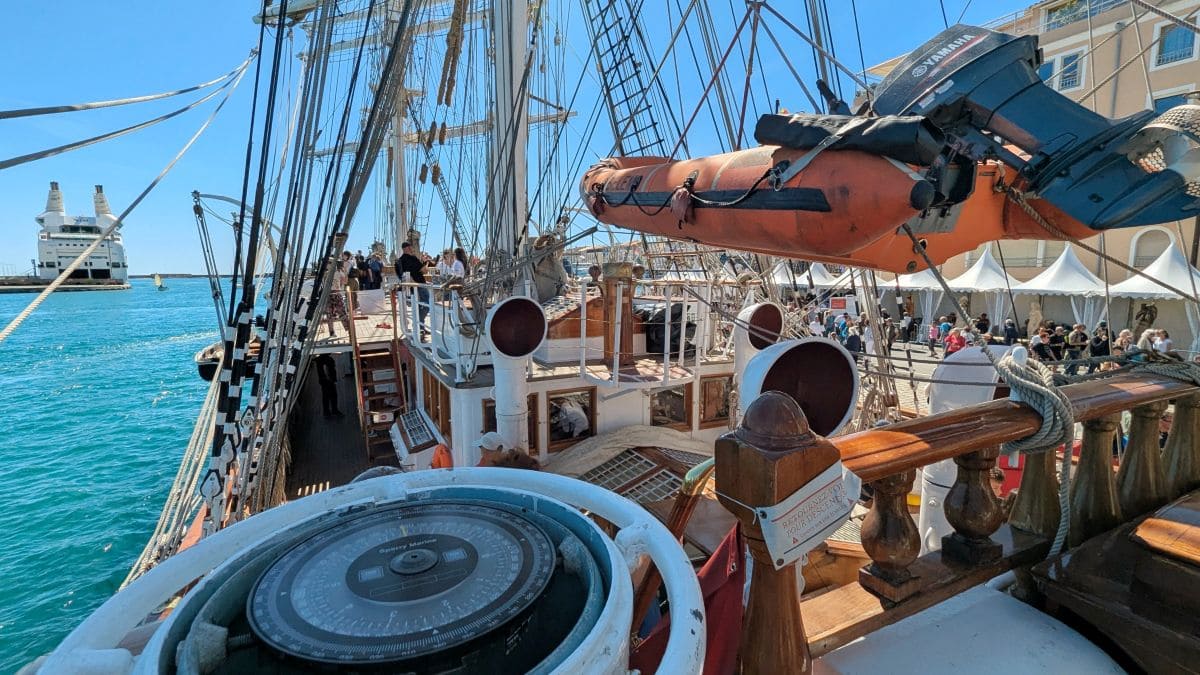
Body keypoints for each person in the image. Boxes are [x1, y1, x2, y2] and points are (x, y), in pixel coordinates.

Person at [396, 242, 430, 334]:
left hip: (408, 288)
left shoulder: (399, 261)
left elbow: (401, 275)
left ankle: (419, 327)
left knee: (417, 307)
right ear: (408, 248)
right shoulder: (413, 258)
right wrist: (426, 263)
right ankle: (419, 325)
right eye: (411, 247)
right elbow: (424, 271)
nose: (412, 249)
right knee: (427, 305)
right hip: (419, 286)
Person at [474, 431, 541, 470]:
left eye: (488, 451)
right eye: (482, 449)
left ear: (499, 449)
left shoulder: (515, 463)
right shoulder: (484, 461)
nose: (483, 454)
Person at [314, 353, 343, 417]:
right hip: (329, 381)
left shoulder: (318, 360)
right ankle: (334, 410)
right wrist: (334, 380)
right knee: (333, 396)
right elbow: (331, 370)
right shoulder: (329, 360)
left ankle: (326, 412)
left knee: (325, 397)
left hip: (323, 381)